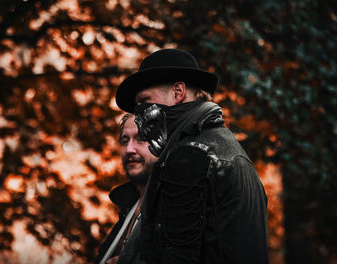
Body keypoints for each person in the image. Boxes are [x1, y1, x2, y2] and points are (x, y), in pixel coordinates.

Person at [115, 49, 269, 263]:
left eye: (144, 101)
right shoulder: (228, 149)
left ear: (178, 92)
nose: (139, 114)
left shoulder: (190, 156)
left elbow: (178, 257)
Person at [95, 114, 157, 264]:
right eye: (125, 141)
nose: (129, 149)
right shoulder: (128, 207)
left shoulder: (177, 210)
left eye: (141, 139)